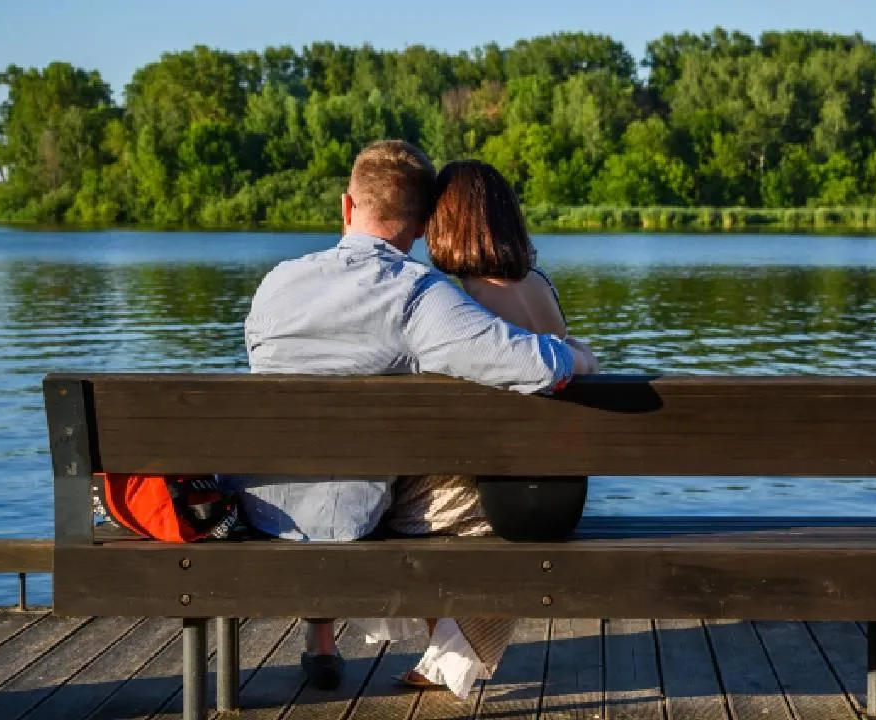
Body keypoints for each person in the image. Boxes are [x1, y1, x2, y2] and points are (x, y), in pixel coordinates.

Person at [224, 141, 598, 692]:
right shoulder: (417, 296)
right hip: (352, 519)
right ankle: (458, 647)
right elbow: (537, 365)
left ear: (346, 207)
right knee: (484, 480)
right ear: (423, 226)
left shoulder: (277, 284)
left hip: (258, 508)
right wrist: (581, 356)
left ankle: (322, 640)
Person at [380, 160, 590, 696]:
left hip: (503, 490)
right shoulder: (538, 284)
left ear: (446, 223)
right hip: (556, 485)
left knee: (400, 506)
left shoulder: (464, 300)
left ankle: (452, 651)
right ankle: (448, 653)